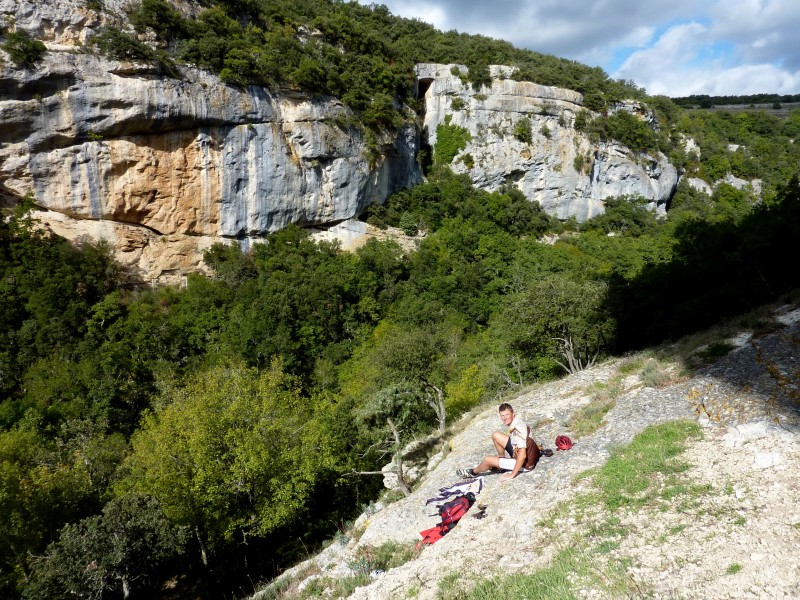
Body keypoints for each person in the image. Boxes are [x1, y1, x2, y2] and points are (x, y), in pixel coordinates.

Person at [456, 403, 539, 482]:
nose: (504, 418)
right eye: (502, 415)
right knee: (496, 435)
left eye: (507, 415)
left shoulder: (517, 430)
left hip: (526, 464)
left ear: (513, 413)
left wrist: (512, 475)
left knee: (487, 460)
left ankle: (473, 472)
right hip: (525, 452)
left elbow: (522, 455)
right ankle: (501, 462)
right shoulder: (517, 421)